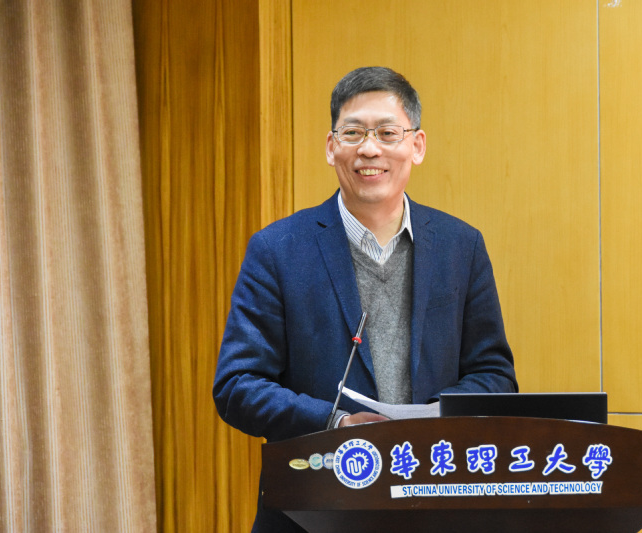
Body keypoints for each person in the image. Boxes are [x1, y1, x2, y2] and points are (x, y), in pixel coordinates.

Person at [213, 66, 517, 533]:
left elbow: (495, 376)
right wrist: (336, 424)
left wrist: (428, 423)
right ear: (330, 146)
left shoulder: (461, 246)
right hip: (313, 508)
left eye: (387, 133)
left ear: (417, 146)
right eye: (353, 132)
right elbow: (237, 385)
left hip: (434, 503)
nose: (369, 149)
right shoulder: (277, 250)